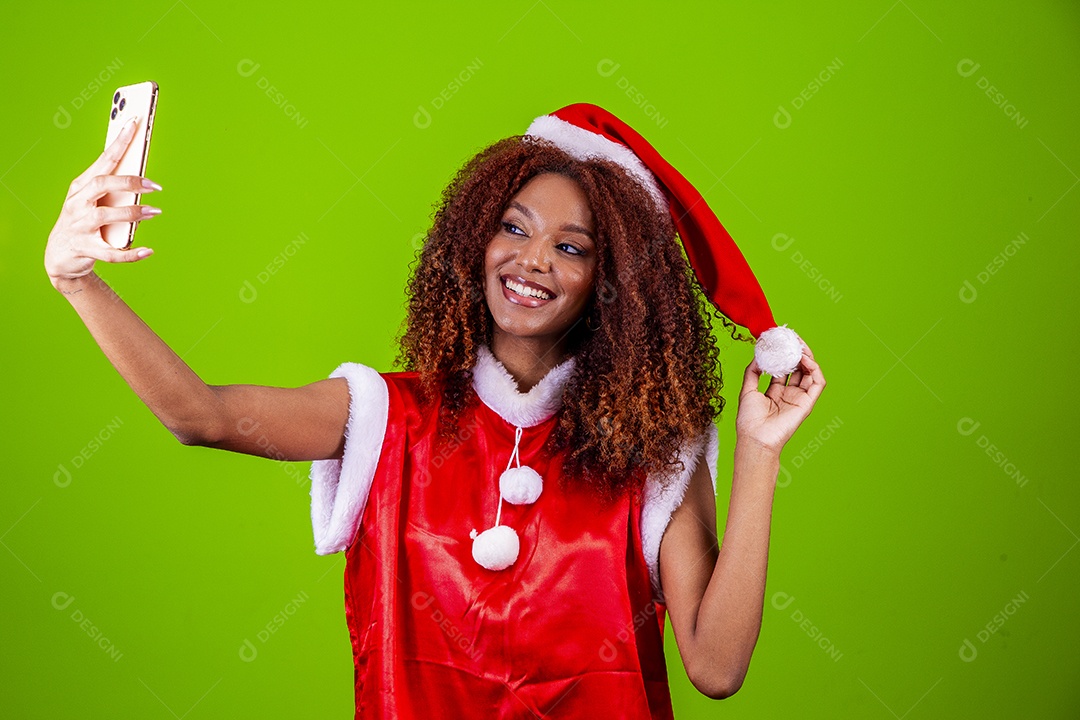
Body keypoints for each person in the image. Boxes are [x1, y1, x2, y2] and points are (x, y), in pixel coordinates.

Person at [45, 103, 826, 719]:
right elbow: (201, 415)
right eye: (513, 228)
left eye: (572, 247)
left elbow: (715, 668)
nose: (531, 260)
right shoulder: (385, 415)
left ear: (613, 281)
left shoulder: (652, 448)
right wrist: (78, 279)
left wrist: (759, 453)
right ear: (473, 239)